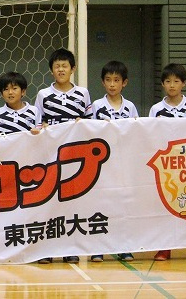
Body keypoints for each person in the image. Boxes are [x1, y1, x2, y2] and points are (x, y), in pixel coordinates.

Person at [34, 48, 92, 264]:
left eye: (64, 66)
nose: (60, 69)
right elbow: (37, 122)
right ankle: (46, 249)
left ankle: (69, 247)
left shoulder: (83, 93)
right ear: (51, 70)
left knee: (71, 202)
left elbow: (90, 122)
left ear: (72, 69)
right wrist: (43, 127)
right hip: (50, 156)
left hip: (75, 156)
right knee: (48, 200)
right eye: (57, 66)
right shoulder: (43, 95)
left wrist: (82, 124)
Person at [149, 63, 186, 261]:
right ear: (162, 84)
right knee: (167, 204)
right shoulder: (156, 109)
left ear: (184, 83)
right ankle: (165, 247)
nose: (172, 85)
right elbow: (150, 135)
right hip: (168, 166)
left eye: (176, 81)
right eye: (168, 81)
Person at [90, 60, 139, 263]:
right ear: (102, 82)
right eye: (108, 80)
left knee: (122, 206)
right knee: (100, 205)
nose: (112, 84)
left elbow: (137, 132)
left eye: (116, 80)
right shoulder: (96, 106)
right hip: (101, 164)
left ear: (124, 83)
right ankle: (98, 248)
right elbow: (88, 132)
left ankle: (123, 246)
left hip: (123, 163)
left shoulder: (130, 107)